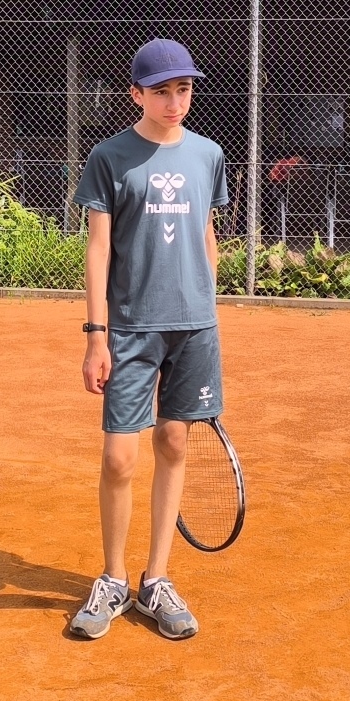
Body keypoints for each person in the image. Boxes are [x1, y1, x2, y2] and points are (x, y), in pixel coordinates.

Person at [68, 39, 229, 641]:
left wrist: (206, 304)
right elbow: (99, 249)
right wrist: (96, 335)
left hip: (194, 328)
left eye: (183, 89)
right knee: (119, 456)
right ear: (135, 94)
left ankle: (154, 580)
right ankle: (112, 578)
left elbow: (207, 235)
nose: (173, 100)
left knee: (175, 444)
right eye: (161, 90)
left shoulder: (209, 154)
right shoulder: (110, 157)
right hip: (130, 329)